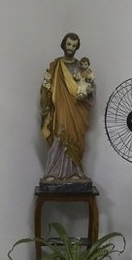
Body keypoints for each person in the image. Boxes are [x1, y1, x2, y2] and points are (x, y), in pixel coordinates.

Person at [40, 32, 94, 183]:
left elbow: (89, 85)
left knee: (75, 138)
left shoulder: (81, 66)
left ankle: (74, 172)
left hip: (77, 109)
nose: (70, 48)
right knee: (59, 134)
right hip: (61, 107)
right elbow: (46, 86)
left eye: (74, 46)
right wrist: (46, 96)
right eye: (69, 44)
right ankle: (52, 172)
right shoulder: (55, 66)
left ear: (77, 48)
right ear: (63, 44)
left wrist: (89, 90)